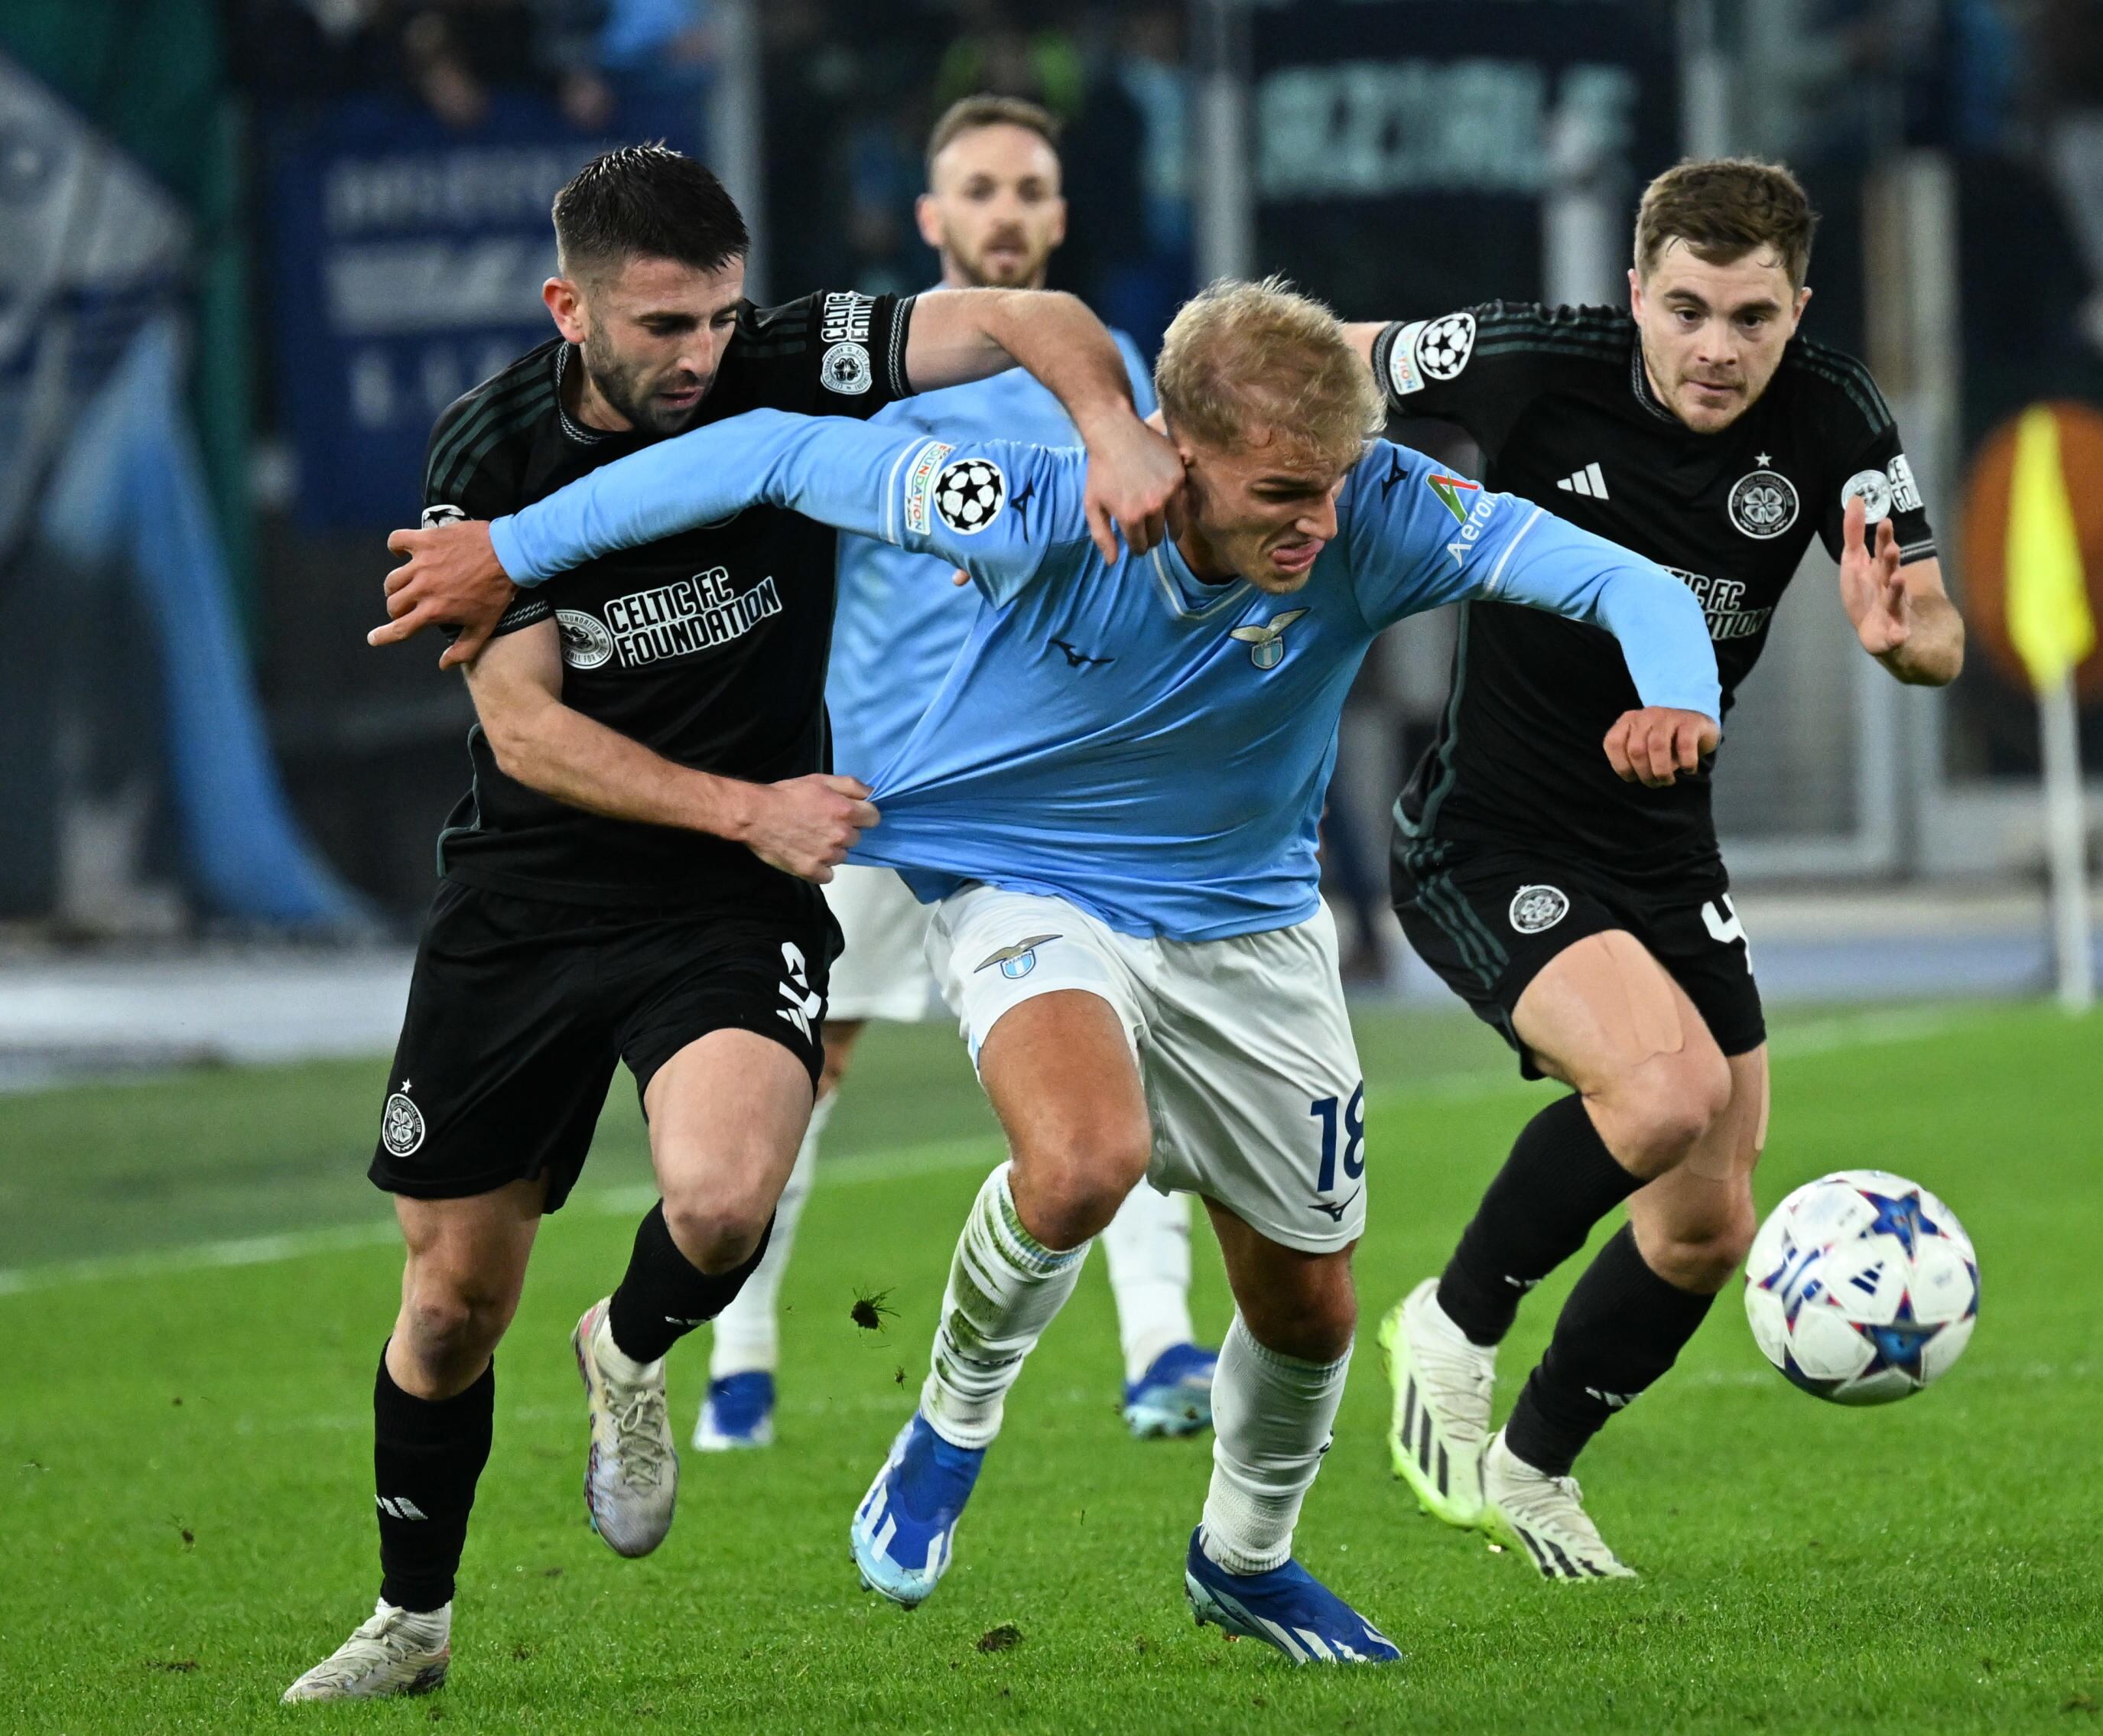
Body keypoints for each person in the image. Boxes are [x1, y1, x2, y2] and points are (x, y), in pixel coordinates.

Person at [376, 277, 1723, 1663]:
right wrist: (516, 548)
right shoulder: (1026, 500)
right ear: (1175, 451)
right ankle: (950, 1423)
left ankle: (1245, 1560)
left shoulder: (1375, 509)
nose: (1317, 524)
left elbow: (1623, 578)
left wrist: (1681, 689)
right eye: (1280, 492)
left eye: (1330, 485)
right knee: (1084, 1161)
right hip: (1024, 880)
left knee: (1311, 1306)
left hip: (1249, 922)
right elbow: (773, 450)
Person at [284, 142, 1176, 1703]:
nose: (702, 358)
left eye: (717, 319)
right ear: (572, 308)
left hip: (722, 900)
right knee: (447, 1305)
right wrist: (745, 804)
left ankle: (628, 1348)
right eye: (662, 329)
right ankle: (410, 1619)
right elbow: (527, 730)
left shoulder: (790, 356)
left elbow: (1030, 317)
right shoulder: (490, 454)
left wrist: (1107, 429)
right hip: (535, 890)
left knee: (717, 1200)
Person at [1341, 158, 1964, 1580]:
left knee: (1706, 1224)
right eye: (1686, 309)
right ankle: (1451, 1320)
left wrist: (1897, 638)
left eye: (1753, 317)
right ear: (1636, 294)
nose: (1716, 349)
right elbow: (1343, 359)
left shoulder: (1837, 415)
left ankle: (1533, 1470)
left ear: (1797, 309)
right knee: (1665, 1091)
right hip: (1483, 837)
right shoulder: (1524, 363)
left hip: (1665, 845)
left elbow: (1937, 632)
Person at [695, 94, 1220, 1458]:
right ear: (932, 219)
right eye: (976, 188)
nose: (1003, 210)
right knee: (803, 1060)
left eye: (1026, 188)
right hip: (875, 782)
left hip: (1050, 788)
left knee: (1121, 1054)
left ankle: (1162, 1347)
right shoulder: (872, 362)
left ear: (1058, 212)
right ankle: (740, 1360)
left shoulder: (1106, 369)